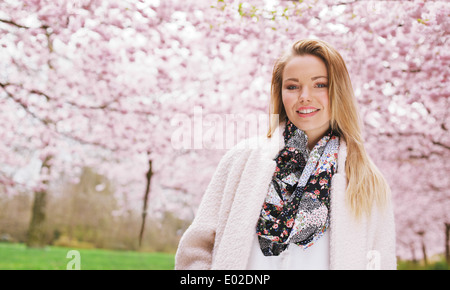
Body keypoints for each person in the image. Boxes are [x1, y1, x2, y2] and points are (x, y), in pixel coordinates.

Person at [175, 39, 396, 270]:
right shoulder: (242, 161)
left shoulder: (366, 179)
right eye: (292, 86)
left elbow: (380, 263)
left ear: (338, 90)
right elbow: (197, 248)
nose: (304, 96)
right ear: (280, 93)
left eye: (320, 84)